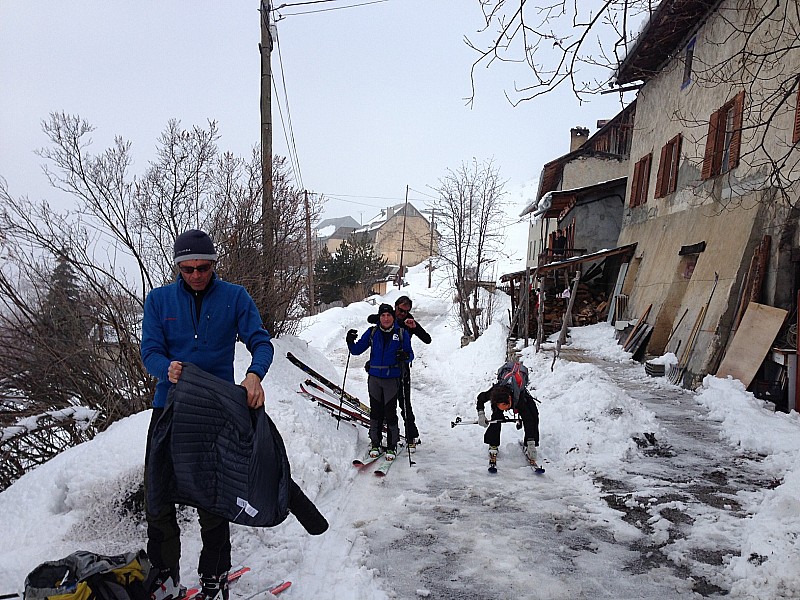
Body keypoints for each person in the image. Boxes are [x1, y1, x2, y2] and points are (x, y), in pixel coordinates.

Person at [141, 229, 274, 600]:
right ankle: (165, 580)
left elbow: (260, 342)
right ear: (178, 267)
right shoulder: (159, 300)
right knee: (159, 500)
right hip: (168, 410)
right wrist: (165, 368)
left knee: (214, 500)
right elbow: (149, 350)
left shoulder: (235, 297)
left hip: (215, 411)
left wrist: (253, 375)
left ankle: (214, 577)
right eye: (188, 269)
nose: (196, 275)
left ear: (214, 264)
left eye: (203, 267)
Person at [347, 303, 414, 461]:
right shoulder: (372, 332)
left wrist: (405, 356)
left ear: (393, 317)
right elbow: (356, 351)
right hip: (375, 378)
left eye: (388, 315)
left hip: (392, 379)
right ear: (379, 317)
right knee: (376, 412)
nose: (385, 318)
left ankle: (392, 445)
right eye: (383, 315)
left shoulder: (402, 333)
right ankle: (375, 443)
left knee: (390, 413)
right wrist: (349, 341)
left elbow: (410, 354)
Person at [366, 295, 431, 451]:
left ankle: (411, 436)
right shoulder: (387, 316)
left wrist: (414, 327)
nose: (403, 313)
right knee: (382, 405)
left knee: (404, 403)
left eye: (406, 311)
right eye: (400, 310)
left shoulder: (409, 321)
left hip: (401, 369)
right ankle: (379, 437)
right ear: (395, 307)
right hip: (382, 370)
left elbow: (427, 339)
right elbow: (370, 319)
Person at [476, 361, 540, 465]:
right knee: (496, 418)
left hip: (519, 393)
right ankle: (493, 444)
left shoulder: (519, 399)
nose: (505, 410)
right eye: (502, 407)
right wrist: (481, 414)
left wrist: (531, 442)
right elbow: (481, 398)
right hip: (502, 393)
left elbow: (529, 420)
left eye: (506, 407)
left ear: (510, 400)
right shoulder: (494, 392)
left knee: (533, 414)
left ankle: (530, 444)